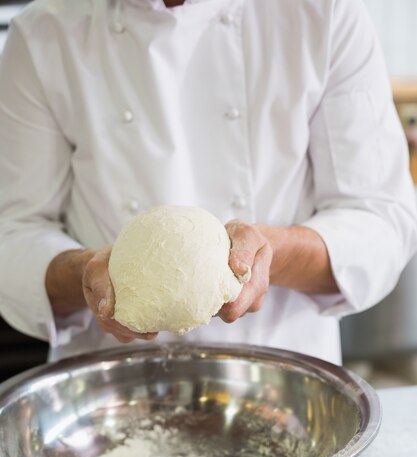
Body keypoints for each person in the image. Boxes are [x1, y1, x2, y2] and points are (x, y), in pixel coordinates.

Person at [0, 0, 416, 366]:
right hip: (106, 388)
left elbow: (380, 218)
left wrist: (272, 253)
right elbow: (12, 234)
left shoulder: (324, 12)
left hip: (282, 378)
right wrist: (85, 276)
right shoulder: (44, 33)